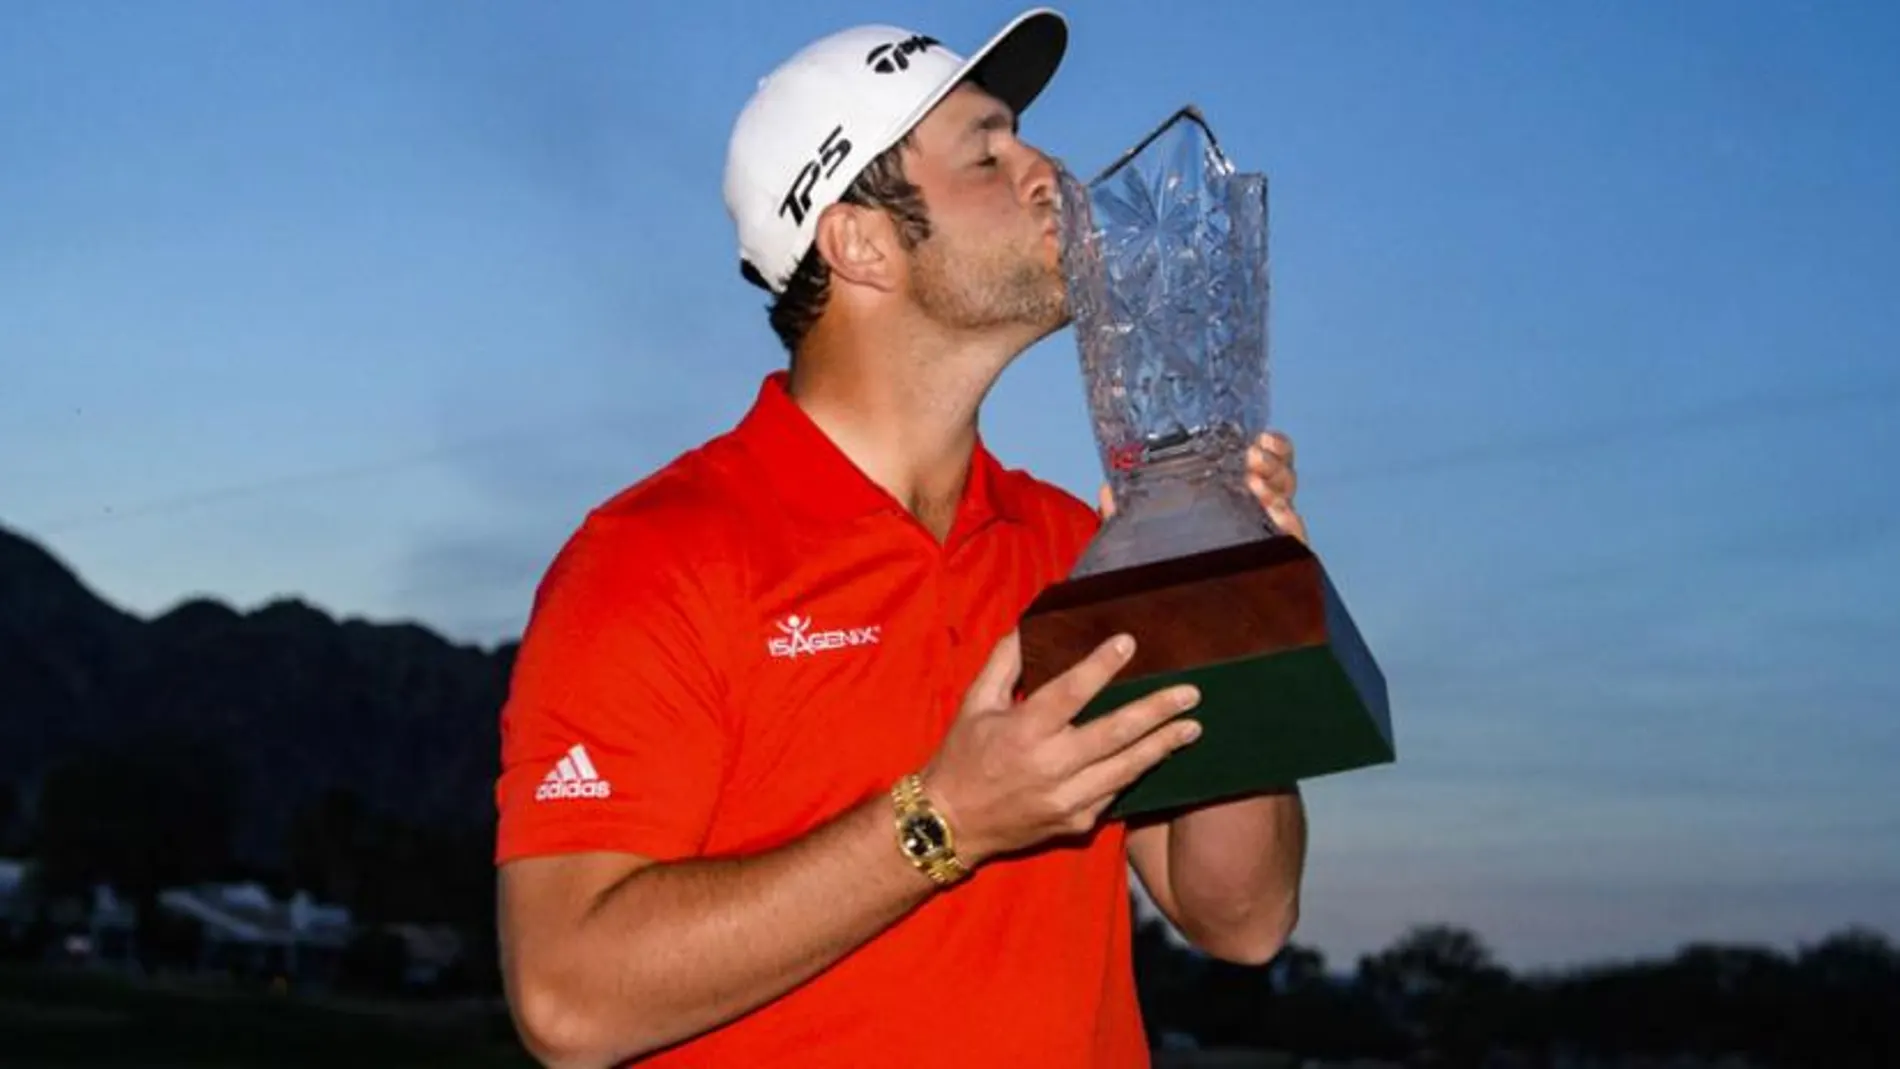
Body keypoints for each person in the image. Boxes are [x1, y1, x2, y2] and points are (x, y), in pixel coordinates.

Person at [492, 8, 1310, 1068]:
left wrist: (1227, 601)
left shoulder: (1075, 545)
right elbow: (566, 998)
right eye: (988, 150)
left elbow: (1239, 917)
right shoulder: (658, 554)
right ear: (861, 241)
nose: (1047, 170)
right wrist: (946, 821)